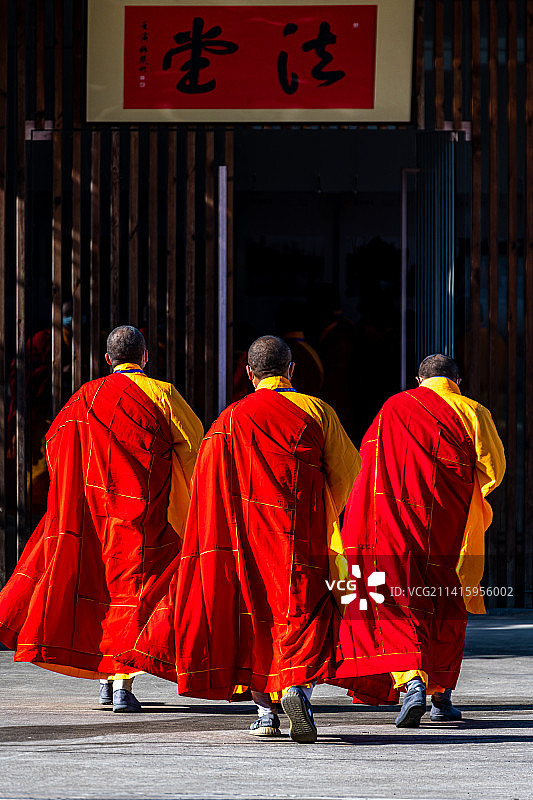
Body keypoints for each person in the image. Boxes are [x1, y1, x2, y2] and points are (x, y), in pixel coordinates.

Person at [116, 335, 361, 742]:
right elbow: (348, 476)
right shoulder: (317, 411)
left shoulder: (229, 420)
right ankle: (298, 687)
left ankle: (265, 713)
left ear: (249, 374)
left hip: (246, 540)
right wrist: (323, 512)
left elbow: (205, 481)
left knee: (253, 620)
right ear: (292, 370)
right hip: (302, 537)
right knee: (305, 613)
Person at [0, 326, 203, 713]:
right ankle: (122, 683)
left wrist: (78, 492)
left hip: (95, 515)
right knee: (135, 596)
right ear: (145, 357)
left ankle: (107, 682)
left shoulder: (84, 398)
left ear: (108, 360)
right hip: (144, 516)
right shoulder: (163, 395)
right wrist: (188, 507)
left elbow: (57, 444)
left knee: (103, 594)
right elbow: (195, 452)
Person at [334, 354, 505, 727]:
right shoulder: (473, 410)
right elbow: (493, 470)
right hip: (446, 524)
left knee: (394, 598)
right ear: (457, 380)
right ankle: (441, 697)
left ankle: (410, 681)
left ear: (418, 379)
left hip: (392, 523)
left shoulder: (394, 407)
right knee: (445, 602)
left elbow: (369, 463)